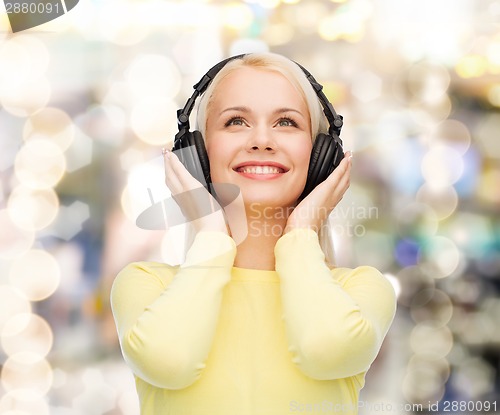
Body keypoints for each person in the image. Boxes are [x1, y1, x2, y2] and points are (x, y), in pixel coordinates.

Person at [110, 52, 396, 414]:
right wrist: (212, 233)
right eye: (236, 121)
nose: (261, 140)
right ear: (196, 153)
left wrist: (302, 230)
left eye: (286, 123)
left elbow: (325, 348)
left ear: (322, 156)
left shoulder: (360, 292)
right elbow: (171, 359)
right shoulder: (145, 286)